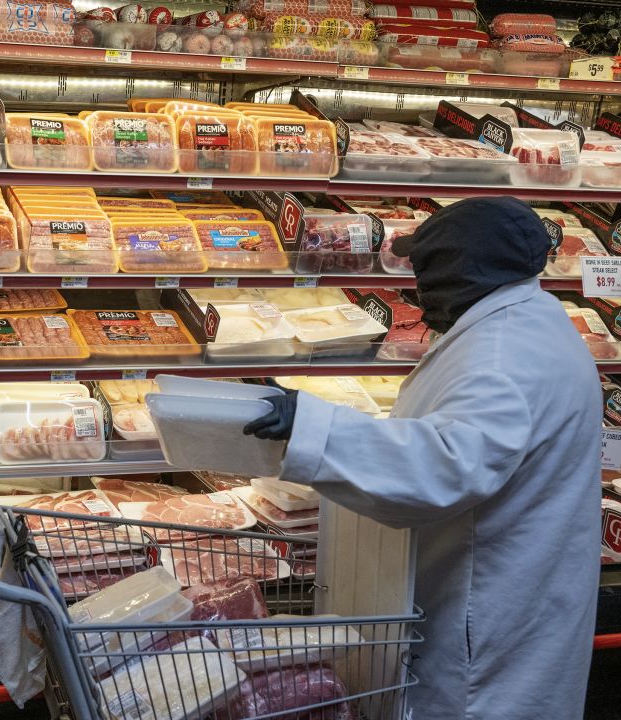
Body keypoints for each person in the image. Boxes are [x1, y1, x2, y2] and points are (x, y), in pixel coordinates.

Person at [244, 197, 601, 720]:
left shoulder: (504, 357)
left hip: (482, 616)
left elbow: (443, 468)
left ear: (461, 268)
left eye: (425, 268)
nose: (417, 284)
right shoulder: (529, 323)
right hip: (509, 587)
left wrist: (312, 426)